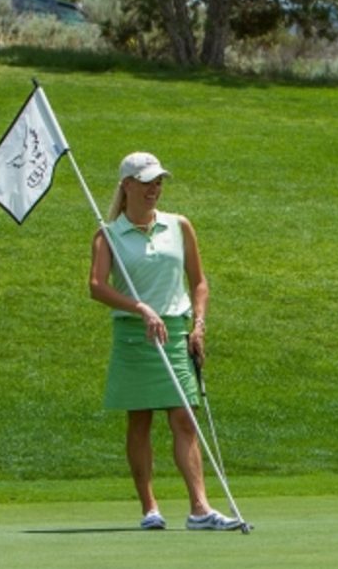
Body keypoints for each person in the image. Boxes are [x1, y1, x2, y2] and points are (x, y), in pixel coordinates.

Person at [88, 151, 241, 531]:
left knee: (184, 419)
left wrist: (199, 325)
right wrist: (140, 308)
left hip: (174, 332)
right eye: (147, 182)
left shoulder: (179, 225)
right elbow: (96, 287)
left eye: (158, 181)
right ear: (126, 186)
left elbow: (199, 282)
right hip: (133, 336)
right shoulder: (108, 235)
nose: (154, 188)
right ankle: (150, 508)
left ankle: (200, 509)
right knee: (139, 420)